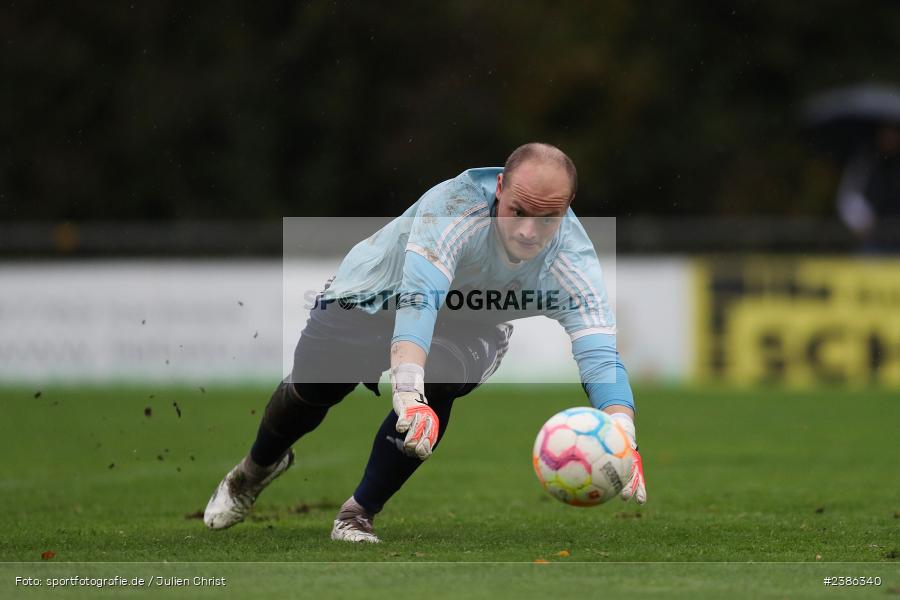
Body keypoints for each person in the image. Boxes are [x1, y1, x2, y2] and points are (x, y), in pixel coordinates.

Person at [203, 142, 647, 543]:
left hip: (470, 325)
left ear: (568, 208)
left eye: (547, 219)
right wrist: (406, 392)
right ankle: (253, 471)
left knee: (444, 380)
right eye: (518, 211)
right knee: (314, 391)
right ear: (498, 188)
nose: (529, 231)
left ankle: (357, 514)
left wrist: (622, 433)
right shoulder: (452, 209)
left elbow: (599, 354)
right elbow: (419, 303)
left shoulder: (573, 259)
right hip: (376, 293)